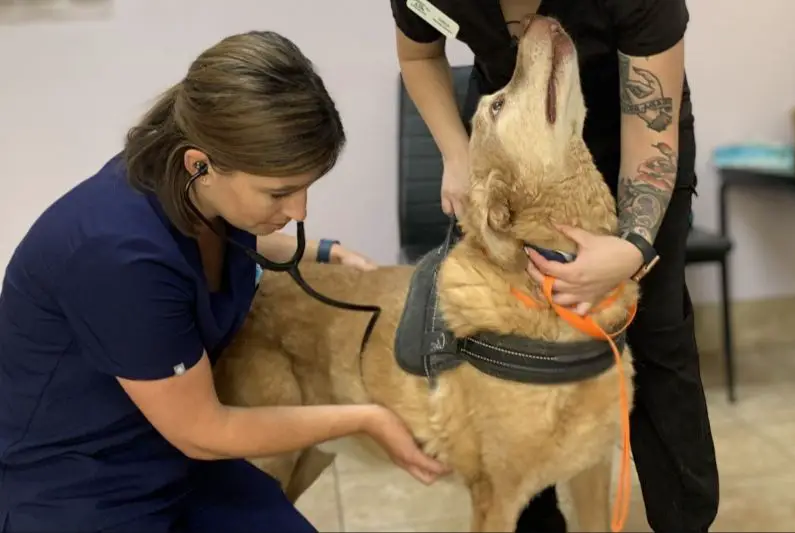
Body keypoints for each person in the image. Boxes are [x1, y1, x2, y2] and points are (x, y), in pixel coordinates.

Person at [0, 30, 449, 533]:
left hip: (171, 458)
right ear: (201, 164)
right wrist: (366, 418)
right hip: (78, 486)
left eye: (306, 188)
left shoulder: (182, 186)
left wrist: (326, 252)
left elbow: (218, 237)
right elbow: (204, 431)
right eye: (279, 193)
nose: (299, 211)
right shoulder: (117, 257)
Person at [389, 1, 719, 532]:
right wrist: (458, 153)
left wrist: (633, 248)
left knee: (656, 338)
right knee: (512, 348)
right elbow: (417, 54)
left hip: (633, 137)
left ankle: (685, 520)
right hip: (517, 128)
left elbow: (652, 136)